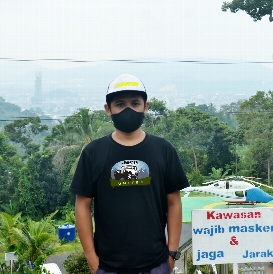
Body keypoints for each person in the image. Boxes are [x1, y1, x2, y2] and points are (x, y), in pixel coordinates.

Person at [69, 74, 190, 274]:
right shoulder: (93, 152)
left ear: (146, 106)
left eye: (135, 103)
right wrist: (92, 259)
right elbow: (82, 205)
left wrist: (172, 254)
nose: (128, 109)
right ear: (108, 109)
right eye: (120, 104)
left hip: (157, 264)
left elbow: (174, 203)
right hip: (107, 267)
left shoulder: (164, 149)